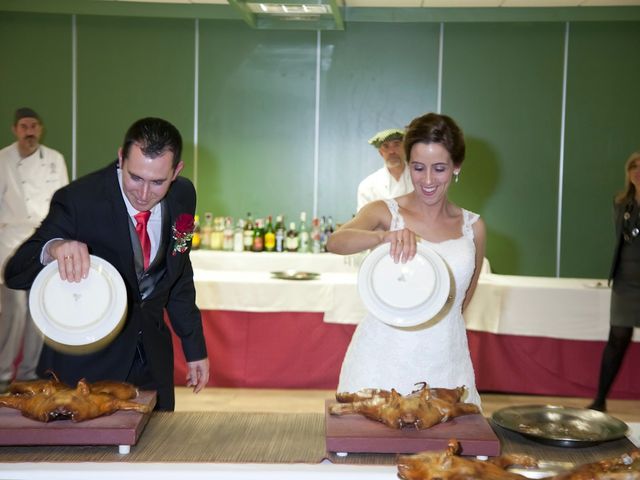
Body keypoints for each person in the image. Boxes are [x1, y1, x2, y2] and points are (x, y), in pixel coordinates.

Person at [3, 117, 209, 410]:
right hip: (85, 371)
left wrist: (194, 348)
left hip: (153, 363)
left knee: (156, 452)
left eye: (158, 182)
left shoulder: (183, 196)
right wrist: (55, 248)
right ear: (121, 158)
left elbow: (178, 276)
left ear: (176, 171)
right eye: (135, 177)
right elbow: (15, 272)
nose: (144, 193)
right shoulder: (78, 200)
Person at [328, 112, 486, 406]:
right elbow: (334, 242)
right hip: (379, 361)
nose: (427, 180)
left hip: (446, 365)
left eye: (439, 168)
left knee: (450, 450)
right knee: (365, 449)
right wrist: (382, 237)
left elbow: (463, 299)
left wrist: (436, 328)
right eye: (418, 167)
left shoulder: (473, 227)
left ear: (456, 167)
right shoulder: (384, 211)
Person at [0, 107, 69, 394]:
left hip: (43, 242)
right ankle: (3, 375)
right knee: (13, 311)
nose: (29, 131)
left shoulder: (54, 159)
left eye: (34, 126)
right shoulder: (2, 159)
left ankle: (29, 373)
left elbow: (63, 202)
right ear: (15, 129)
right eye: (24, 126)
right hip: (9, 242)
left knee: (38, 309)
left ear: (40, 129)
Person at [588, 151, 640, 412]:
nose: (638, 172)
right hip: (625, 281)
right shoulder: (621, 203)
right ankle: (599, 400)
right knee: (617, 338)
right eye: (634, 167)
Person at [356, 128, 414, 211]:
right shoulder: (368, 186)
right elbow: (363, 221)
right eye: (386, 146)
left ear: (405, 148)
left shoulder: (420, 179)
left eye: (396, 144)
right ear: (380, 153)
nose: (391, 151)